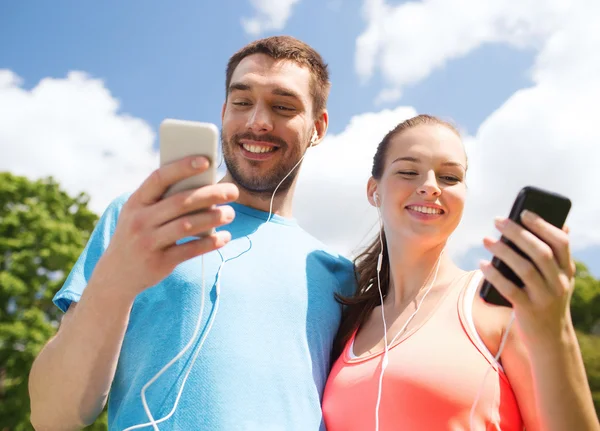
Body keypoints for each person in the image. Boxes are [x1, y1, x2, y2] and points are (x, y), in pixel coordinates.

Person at [28, 36, 356, 431]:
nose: (257, 122)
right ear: (223, 112)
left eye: (283, 106)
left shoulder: (340, 274)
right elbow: (52, 417)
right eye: (241, 102)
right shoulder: (142, 221)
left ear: (318, 127)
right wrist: (114, 283)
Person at [322, 114, 600, 431]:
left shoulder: (500, 306)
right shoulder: (349, 323)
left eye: (450, 178)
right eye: (409, 172)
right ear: (374, 190)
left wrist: (556, 331)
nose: (429, 186)